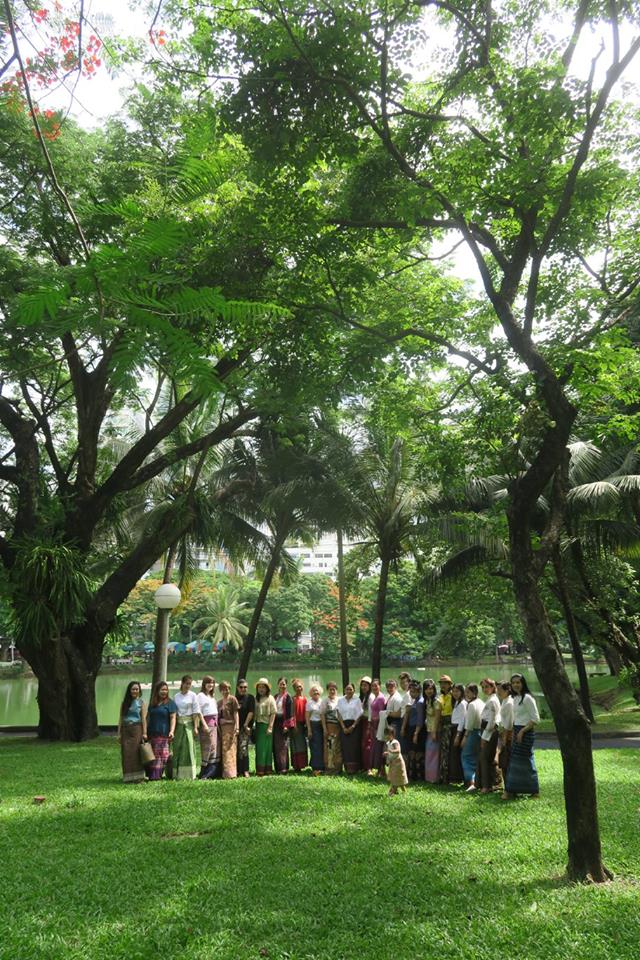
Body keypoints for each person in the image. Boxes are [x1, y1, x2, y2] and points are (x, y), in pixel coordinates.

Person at [503, 674, 540, 799]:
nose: (516, 685)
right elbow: (516, 718)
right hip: (517, 730)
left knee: (526, 761)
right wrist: (514, 732)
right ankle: (512, 790)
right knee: (515, 761)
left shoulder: (528, 698)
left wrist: (522, 731)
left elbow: (535, 719)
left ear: (523, 683)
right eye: (513, 683)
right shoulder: (515, 698)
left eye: (518, 682)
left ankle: (534, 791)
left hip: (526, 732)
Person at [117, 680, 148, 784]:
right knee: (126, 753)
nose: (135, 691)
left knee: (136, 754)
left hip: (136, 729)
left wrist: (144, 733)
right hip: (126, 729)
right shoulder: (124, 703)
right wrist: (119, 733)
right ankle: (128, 777)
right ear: (129, 690)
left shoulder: (141, 703)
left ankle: (138, 778)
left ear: (139, 690)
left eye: (136, 689)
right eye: (133, 689)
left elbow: (143, 719)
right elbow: (121, 718)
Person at [147, 680, 177, 781]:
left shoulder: (170, 703)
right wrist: (145, 732)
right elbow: (148, 718)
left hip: (164, 733)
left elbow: (173, 718)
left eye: (166, 690)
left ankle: (156, 775)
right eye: (162, 690)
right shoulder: (153, 703)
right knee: (153, 756)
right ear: (157, 691)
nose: (164, 692)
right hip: (152, 733)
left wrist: (172, 731)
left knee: (162, 755)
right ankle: (153, 774)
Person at [173, 675, 201, 781]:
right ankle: (177, 773)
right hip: (179, 724)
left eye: (190, 684)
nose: (188, 686)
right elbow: (175, 713)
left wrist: (195, 727)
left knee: (189, 747)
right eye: (186, 683)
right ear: (182, 683)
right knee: (178, 747)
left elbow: (196, 712)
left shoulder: (193, 695)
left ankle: (190, 774)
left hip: (189, 724)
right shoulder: (176, 696)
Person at [477, 678, 502, 794]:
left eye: (487, 687)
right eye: (483, 687)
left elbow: (492, 721)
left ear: (493, 687)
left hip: (489, 732)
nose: (484, 689)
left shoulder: (492, 701)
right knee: (487, 757)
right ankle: (491, 784)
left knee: (485, 758)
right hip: (487, 730)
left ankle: (486, 786)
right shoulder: (491, 699)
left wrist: (484, 737)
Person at [461, 683, 484, 792]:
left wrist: (465, 737)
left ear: (474, 693)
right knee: (475, 757)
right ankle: (477, 780)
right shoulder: (481, 702)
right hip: (480, 732)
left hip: (472, 732)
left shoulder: (472, 705)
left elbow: (469, 724)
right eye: (465, 692)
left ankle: (471, 782)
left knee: (466, 756)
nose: (466, 694)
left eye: (468, 692)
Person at [401, 679, 425, 781]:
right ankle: (412, 774)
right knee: (412, 752)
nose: (411, 694)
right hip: (412, 727)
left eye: (414, 692)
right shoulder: (415, 701)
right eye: (410, 691)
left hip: (417, 729)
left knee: (417, 752)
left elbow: (420, 719)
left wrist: (416, 733)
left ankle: (418, 775)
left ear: (419, 691)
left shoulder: (420, 702)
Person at [197, 676, 219, 780]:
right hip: (207, 724)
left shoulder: (211, 696)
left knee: (214, 747)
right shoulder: (200, 696)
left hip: (215, 725)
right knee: (207, 747)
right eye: (209, 683)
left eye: (212, 683)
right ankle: (204, 773)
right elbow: (199, 712)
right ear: (204, 684)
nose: (211, 685)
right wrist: (204, 724)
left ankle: (211, 772)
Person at [337, 682, 363, 773]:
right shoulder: (340, 700)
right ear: (344, 690)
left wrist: (353, 726)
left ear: (354, 690)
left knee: (354, 747)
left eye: (350, 689)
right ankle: (347, 768)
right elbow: (338, 714)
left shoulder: (357, 700)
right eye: (347, 689)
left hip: (354, 725)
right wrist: (343, 727)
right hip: (343, 725)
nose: (349, 691)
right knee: (345, 747)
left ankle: (355, 768)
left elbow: (360, 714)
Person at [254, 678, 277, 776]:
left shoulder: (270, 698)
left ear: (267, 688)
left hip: (266, 726)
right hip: (258, 726)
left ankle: (267, 769)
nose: (261, 689)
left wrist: (270, 727)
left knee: (267, 748)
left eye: (263, 687)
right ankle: (260, 769)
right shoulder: (256, 699)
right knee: (259, 749)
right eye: (259, 687)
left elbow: (273, 713)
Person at [217, 681, 239, 779]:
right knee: (224, 750)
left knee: (231, 750)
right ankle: (225, 773)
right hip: (222, 729)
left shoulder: (233, 699)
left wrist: (237, 727)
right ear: (220, 690)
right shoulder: (219, 702)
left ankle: (232, 773)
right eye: (224, 689)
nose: (226, 691)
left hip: (231, 727)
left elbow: (236, 714)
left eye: (228, 689)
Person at [273, 677, 294, 774]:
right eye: (281, 684)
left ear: (286, 685)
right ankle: (278, 767)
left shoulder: (288, 697)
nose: (282, 686)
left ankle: (284, 768)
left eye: (284, 684)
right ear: (278, 685)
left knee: (283, 745)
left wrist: (286, 726)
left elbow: (290, 713)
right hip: (275, 722)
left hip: (284, 722)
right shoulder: (275, 696)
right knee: (276, 745)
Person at [322, 680, 343, 774]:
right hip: (329, 726)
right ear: (327, 690)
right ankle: (329, 768)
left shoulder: (340, 700)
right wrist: (324, 729)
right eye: (330, 689)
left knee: (337, 746)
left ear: (336, 690)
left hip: (338, 727)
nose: (332, 691)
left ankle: (338, 768)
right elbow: (322, 715)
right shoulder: (325, 701)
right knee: (329, 746)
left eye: (334, 689)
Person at [423, 678, 441, 783]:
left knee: (434, 754)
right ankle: (429, 777)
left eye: (431, 689)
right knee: (429, 753)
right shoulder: (428, 700)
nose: (429, 691)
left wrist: (434, 732)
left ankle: (434, 778)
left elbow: (437, 718)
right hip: (429, 730)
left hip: (435, 731)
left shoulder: (436, 701)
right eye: (427, 689)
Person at [448, 682, 467, 784]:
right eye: (453, 691)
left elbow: (463, 720)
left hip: (459, 730)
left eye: (457, 691)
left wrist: (458, 735)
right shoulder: (456, 702)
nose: (455, 693)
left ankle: (459, 777)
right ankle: (455, 777)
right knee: (454, 753)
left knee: (457, 753)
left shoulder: (463, 703)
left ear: (462, 692)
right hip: (454, 728)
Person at [236, 679, 255, 778]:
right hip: (235, 728)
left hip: (245, 727)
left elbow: (251, 712)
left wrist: (246, 725)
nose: (243, 689)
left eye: (245, 687)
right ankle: (238, 770)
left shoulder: (250, 698)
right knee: (237, 749)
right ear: (237, 688)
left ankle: (245, 770)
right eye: (241, 687)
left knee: (243, 748)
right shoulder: (234, 698)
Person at [437, 674, 454, 784]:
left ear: (449, 684)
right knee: (443, 750)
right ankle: (442, 776)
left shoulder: (453, 696)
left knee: (447, 750)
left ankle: (446, 777)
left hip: (450, 725)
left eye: (445, 683)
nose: (443, 685)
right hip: (442, 724)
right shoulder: (441, 696)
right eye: (441, 683)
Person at [368, 679, 387, 775]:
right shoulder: (375, 697)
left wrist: (378, 726)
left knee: (379, 747)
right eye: (373, 686)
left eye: (376, 685)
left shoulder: (380, 698)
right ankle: (377, 769)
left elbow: (381, 713)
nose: (374, 687)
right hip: (374, 724)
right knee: (374, 747)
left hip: (378, 725)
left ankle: (381, 770)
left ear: (380, 686)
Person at [306, 684, 325, 775]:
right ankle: (316, 767)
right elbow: (307, 718)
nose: (316, 692)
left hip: (322, 726)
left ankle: (322, 766)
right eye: (314, 691)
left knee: (322, 746)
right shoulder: (309, 703)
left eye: (317, 690)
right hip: (313, 726)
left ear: (320, 692)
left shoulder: (322, 702)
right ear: (311, 693)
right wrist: (309, 730)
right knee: (315, 747)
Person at [290, 678, 308, 772]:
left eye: (300, 686)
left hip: (303, 724)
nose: (299, 688)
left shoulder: (305, 699)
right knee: (295, 745)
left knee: (302, 745)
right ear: (294, 688)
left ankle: (302, 764)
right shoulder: (293, 699)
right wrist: (294, 725)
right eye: (297, 687)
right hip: (296, 725)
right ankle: (296, 766)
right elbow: (292, 713)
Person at [497, 680, 514, 782]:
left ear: (507, 690)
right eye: (497, 689)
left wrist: (504, 738)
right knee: (504, 760)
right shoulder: (505, 700)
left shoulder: (509, 703)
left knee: (506, 759)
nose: (498, 692)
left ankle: (509, 784)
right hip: (503, 733)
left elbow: (509, 723)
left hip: (508, 735)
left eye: (500, 690)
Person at [384, 725, 408, 796]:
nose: (387, 736)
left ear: (392, 734)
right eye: (386, 734)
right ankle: (403, 791)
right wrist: (387, 753)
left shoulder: (395, 742)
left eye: (389, 734)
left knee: (397, 776)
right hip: (393, 762)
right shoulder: (388, 743)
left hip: (398, 762)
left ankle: (392, 791)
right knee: (395, 776)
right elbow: (390, 752)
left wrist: (390, 751)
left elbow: (398, 750)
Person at [358, 676, 374, 771]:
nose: (363, 687)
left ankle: (368, 767)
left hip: (368, 722)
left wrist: (369, 725)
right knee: (363, 743)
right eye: (362, 685)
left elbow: (371, 712)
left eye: (365, 685)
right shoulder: (363, 696)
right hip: (363, 721)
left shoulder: (370, 697)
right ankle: (364, 766)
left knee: (367, 743)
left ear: (369, 686)